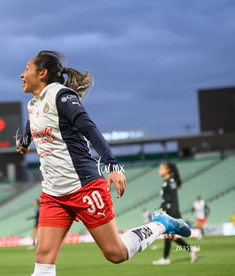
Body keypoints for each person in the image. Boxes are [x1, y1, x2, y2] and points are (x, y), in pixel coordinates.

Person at [16, 50, 191, 276]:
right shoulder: (33, 104)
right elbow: (32, 122)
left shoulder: (61, 96)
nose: (21, 74)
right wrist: (24, 140)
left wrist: (113, 166)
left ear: (42, 73)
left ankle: (161, 224)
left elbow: (89, 128)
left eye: (26, 69)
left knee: (115, 253)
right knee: (43, 259)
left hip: (84, 187)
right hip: (53, 195)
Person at [152, 162, 200, 265]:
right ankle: (191, 250)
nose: (159, 170)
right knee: (172, 237)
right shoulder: (167, 181)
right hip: (171, 211)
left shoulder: (170, 181)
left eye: (161, 168)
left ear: (167, 170)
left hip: (171, 212)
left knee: (167, 235)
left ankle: (165, 259)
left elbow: (171, 200)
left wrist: (167, 212)